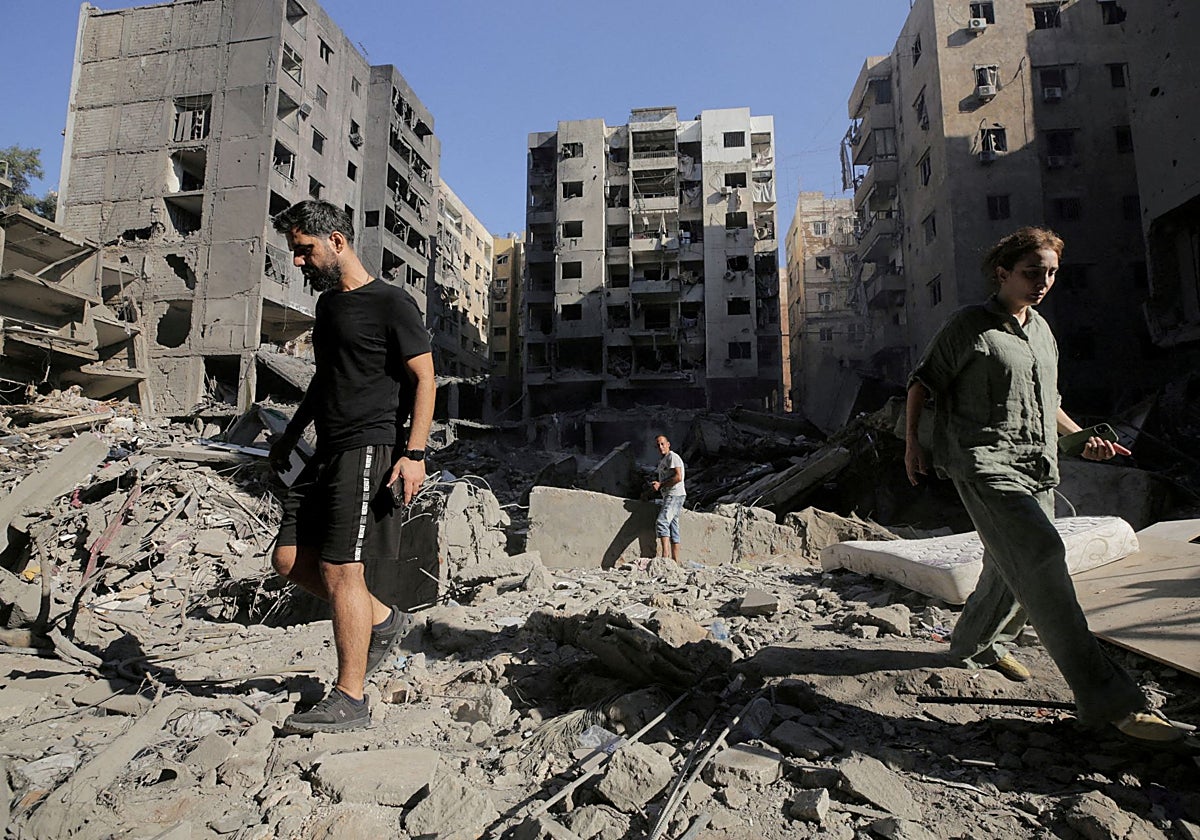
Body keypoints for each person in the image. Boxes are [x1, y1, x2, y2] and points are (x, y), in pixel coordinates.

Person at [904, 226, 1185, 743]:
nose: (1044, 282)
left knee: (1005, 565)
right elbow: (922, 383)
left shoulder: (1041, 331)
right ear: (1003, 272)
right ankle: (1110, 700)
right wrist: (913, 445)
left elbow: (1047, 402)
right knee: (1041, 559)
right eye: (1032, 272)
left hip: (1037, 464)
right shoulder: (969, 326)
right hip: (983, 464)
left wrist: (1082, 440)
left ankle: (974, 644)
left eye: (1052, 272)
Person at [267, 200, 435, 735]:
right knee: (290, 560)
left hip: (369, 447)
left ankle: (350, 697)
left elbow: (425, 380)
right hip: (326, 449)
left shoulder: (391, 302)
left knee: (343, 569)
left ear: (336, 242)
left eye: (304, 251)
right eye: (295, 252)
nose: (298, 262)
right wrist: (291, 435)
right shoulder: (328, 310)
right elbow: (324, 379)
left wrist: (414, 454)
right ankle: (384, 620)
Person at [651, 434, 686, 563]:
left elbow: (678, 477)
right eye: (658, 445)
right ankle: (675, 562)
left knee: (662, 522)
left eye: (662, 444)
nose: (660, 447)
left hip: (674, 494)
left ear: (668, 444)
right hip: (670, 495)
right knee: (673, 527)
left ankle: (665, 558)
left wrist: (660, 485)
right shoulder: (663, 461)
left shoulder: (672, 457)